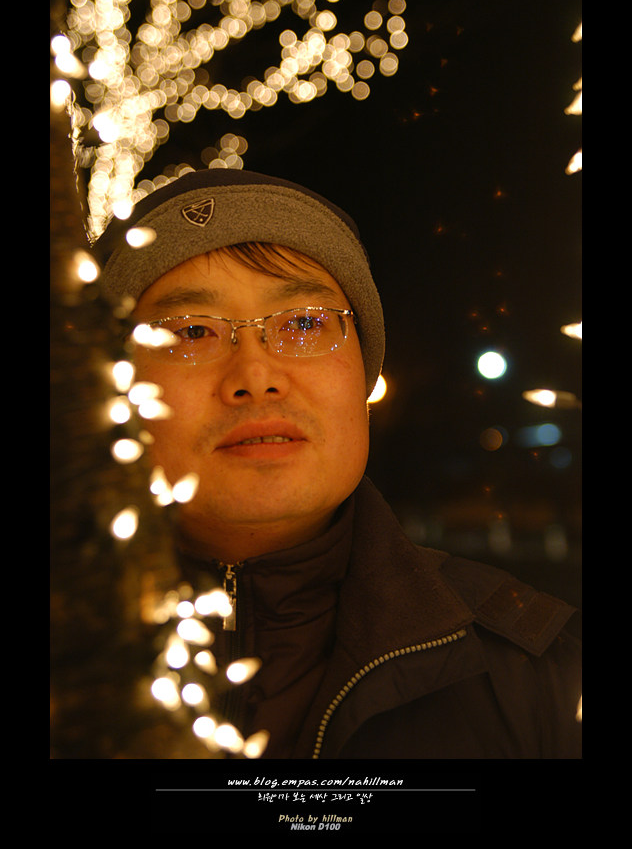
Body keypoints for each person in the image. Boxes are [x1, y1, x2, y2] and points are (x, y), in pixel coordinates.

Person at [98, 168, 582, 760]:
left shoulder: (535, 677)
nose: (256, 376)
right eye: (192, 331)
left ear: (362, 379)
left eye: (304, 324)